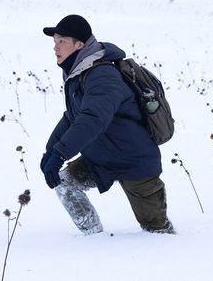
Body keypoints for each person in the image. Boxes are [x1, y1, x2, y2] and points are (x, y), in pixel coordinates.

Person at [39, 14, 174, 234]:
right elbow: (72, 117)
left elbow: (92, 119)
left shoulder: (102, 75)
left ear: (79, 44)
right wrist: (50, 151)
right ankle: (94, 240)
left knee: (157, 231)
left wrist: (60, 154)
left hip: (133, 160)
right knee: (65, 184)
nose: (55, 47)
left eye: (61, 41)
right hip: (102, 158)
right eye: (54, 41)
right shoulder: (79, 74)